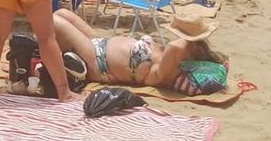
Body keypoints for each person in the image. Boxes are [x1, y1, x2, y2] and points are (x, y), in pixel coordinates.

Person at [48, 8, 224, 89]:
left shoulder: (164, 71)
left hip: (97, 61)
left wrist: (190, 39)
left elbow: (174, 46)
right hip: (98, 42)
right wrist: (193, 39)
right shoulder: (167, 53)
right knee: (62, 13)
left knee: (54, 22)